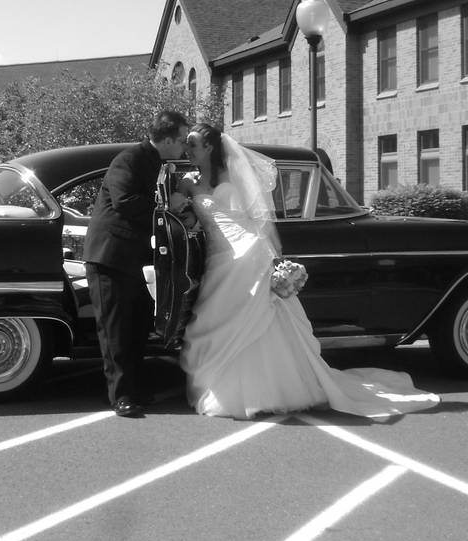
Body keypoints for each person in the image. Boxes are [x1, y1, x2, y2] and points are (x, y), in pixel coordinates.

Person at [174, 123, 439, 420]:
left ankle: (263, 392)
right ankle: (249, 388)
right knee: (228, 320)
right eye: (186, 144)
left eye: (193, 144)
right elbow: (183, 217)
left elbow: (258, 220)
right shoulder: (187, 181)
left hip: (248, 253)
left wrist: (274, 257)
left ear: (209, 147)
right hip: (220, 257)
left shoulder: (231, 176)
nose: (188, 149)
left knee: (258, 321)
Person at [85, 110, 190, 417]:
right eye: (182, 140)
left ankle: (134, 387)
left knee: (138, 327)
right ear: (168, 139)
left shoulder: (157, 163)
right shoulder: (128, 159)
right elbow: (124, 202)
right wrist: (168, 205)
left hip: (137, 261)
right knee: (116, 330)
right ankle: (121, 396)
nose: (184, 146)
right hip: (110, 257)